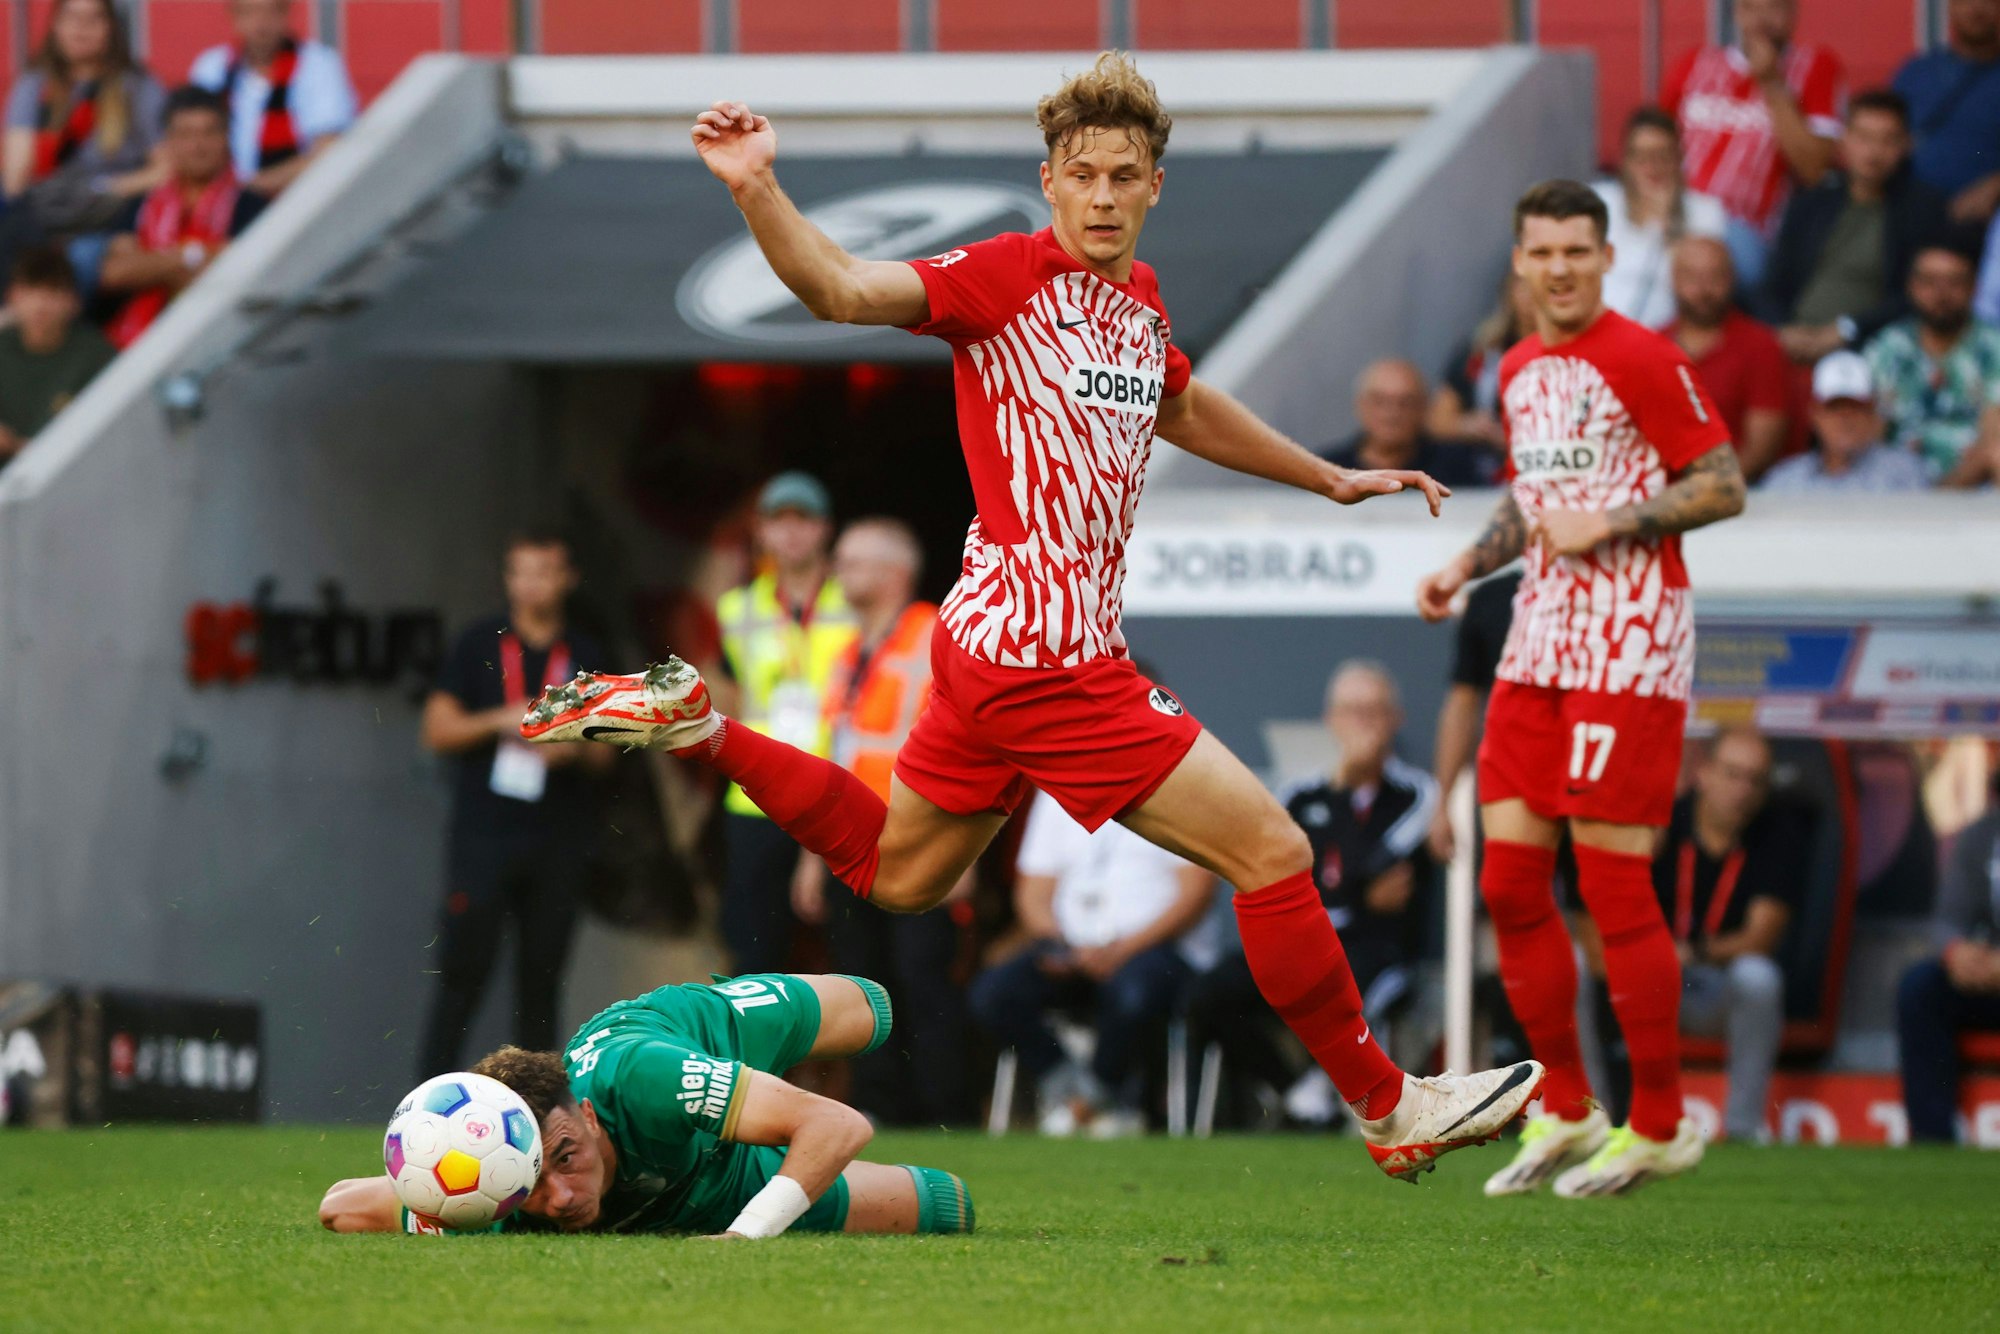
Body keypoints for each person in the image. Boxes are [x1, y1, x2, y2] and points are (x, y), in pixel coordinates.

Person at [526, 52, 1544, 1183]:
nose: (1103, 195)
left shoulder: (1136, 303)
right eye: (1082, 174)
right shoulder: (1003, 278)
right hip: (1047, 659)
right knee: (1274, 851)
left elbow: (1184, 404)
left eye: (1124, 175)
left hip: (985, 645)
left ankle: (701, 726)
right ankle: (1385, 1098)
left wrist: (1329, 476)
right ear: (1048, 182)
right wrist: (756, 185)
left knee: (900, 875)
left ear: (1154, 186)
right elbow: (843, 291)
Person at [1417, 179, 1748, 1198]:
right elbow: (1535, 496)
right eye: (1540, 251)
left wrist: (1610, 523)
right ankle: (1564, 1104)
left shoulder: (1643, 356)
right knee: (1508, 882)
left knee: (1608, 885)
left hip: (1628, 643)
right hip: (1536, 636)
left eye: (1575, 249)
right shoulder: (1517, 366)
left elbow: (1722, 481)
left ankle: (1659, 1119)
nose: (1557, 266)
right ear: (1518, 262)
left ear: (1604, 259)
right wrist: (1467, 561)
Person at [320, 973, 975, 1237]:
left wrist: (746, 1238)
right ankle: (757, 1141)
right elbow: (339, 1208)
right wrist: (436, 1196)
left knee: (873, 1009)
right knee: (950, 1207)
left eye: (567, 1158)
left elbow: (837, 1122)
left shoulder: (640, 1079)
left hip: (701, 1034)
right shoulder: (503, 1195)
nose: (562, 1197)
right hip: (711, 1184)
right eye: (535, 1182)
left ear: (591, 1117)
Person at [1187, 661, 1437, 1128]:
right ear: (1331, 720)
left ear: (1396, 719)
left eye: (1374, 712)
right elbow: (1279, 864)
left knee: (1355, 986)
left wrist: (1347, 797)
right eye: (1352, 711)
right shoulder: (1300, 793)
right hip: (1304, 935)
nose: (1363, 723)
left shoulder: (1417, 793)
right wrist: (1353, 882)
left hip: (1377, 945)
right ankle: (1299, 1092)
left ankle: (1352, 1095)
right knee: (1212, 992)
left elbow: (1370, 865)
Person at [792, 517, 973, 1126]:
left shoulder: (934, 636)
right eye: (840, 560)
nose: (840, 571)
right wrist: (811, 859)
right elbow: (833, 760)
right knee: (862, 985)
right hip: (850, 842)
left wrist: (964, 853)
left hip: (918, 842)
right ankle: (881, 1105)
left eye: (855, 561)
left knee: (922, 976)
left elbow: (966, 752)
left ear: (897, 573)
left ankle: (946, 1109)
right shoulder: (849, 654)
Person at [414, 532, 613, 1079]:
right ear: (507, 578)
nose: (531, 584)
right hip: (484, 834)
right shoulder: (479, 641)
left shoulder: (587, 655)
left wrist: (572, 747)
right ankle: (428, 1097)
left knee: (542, 977)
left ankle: (540, 1110)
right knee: (461, 970)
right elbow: (436, 729)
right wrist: (502, 720)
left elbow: (613, 755)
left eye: (544, 571)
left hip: (558, 838)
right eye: (520, 572)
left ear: (568, 577)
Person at [971, 787, 1215, 1138]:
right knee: (994, 992)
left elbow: (1196, 893)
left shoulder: (1179, 788)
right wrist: (1063, 943)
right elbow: (1033, 891)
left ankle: (1092, 1103)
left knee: (1134, 993)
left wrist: (1124, 948)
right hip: (1072, 949)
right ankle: (1078, 1095)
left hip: (1157, 948)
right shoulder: (1056, 792)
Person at [713, 472, 856, 976]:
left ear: (827, 530)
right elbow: (727, 690)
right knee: (754, 954)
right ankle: (755, 1058)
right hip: (757, 797)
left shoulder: (856, 601)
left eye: (805, 519)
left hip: (839, 791)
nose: (792, 532)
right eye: (779, 520)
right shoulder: (736, 608)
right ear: (760, 531)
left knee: (849, 950)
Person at [1632, 727, 1804, 1143]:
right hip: (1648, 982)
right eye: (1732, 774)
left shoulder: (1779, 834)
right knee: (1587, 966)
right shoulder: (1663, 824)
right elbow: (1618, 906)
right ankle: (1591, 1116)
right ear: (1704, 772)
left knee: (1758, 976)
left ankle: (1744, 1127)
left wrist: (1690, 953)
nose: (1742, 790)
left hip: (1715, 988)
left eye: (1755, 780)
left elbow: (1760, 937)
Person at [1662, 0, 1845, 289]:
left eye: (1774, 7)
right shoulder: (1695, 63)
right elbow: (1653, 145)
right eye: (1750, 7)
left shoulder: (1815, 66)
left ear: (1793, 13)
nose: (1762, 19)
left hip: (1749, 232)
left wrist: (1771, 81)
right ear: (1737, 12)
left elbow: (1815, 170)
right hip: (1678, 220)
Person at [1759, 91, 1950, 365]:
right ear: (1844, 139)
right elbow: (1773, 283)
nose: (1874, 152)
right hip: (1793, 337)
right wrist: (1781, 328)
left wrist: (1848, 329)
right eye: (1864, 137)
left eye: (1888, 140)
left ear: (1906, 144)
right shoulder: (1810, 202)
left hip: (1869, 348)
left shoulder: (1923, 209)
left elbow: (1913, 296)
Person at [98, 86, 265, 349]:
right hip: (141, 341)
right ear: (168, 142)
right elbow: (115, 273)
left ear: (227, 138)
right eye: (186, 134)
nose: (197, 146)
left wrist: (154, 264)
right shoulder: (143, 203)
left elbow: (242, 269)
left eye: (209, 133)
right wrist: (193, 255)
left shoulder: (251, 205)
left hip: (219, 337)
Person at [1, 0, 166, 258]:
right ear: (55, 26)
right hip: (43, 216)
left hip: (110, 218)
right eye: (72, 18)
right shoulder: (33, 85)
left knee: (83, 258)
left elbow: (167, 168)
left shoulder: (138, 86)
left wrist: (110, 188)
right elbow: (15, 180)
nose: (81, 28)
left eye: (93, 19)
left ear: (111, 27)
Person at [1896, 786, 2000, 1143]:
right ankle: (1931, 1136)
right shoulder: (1981, 836)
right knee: (1921, 987)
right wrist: (1957, 952)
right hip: (1985, 976)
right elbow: (1945, 920)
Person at [1863, 238, 2000, 484]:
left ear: (1974, 288)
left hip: (1974, 487)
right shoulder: (1888, 347)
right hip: (1895, 490)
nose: (1941, 294)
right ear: (1912, 287)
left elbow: (1994, 438)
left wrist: (1940, 500)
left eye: (1954, 282)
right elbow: (1871, 434)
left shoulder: (1994, 347)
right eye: (1929, 282)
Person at [188, 0, 356, 198]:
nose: (260, 23)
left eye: (270, 12)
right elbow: (189, 141)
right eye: (250, 12)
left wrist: (251, 189)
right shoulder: (212, 66)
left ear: (285, 14)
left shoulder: (318, 64)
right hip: (221, 202)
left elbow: (329, 149)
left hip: (296, 198)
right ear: (233, 16)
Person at [1666, 236, 1793, 480]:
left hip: (1736, 497)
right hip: (1657, 499)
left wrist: (1700, 497)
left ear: (1732, 279)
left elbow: (1760, 450)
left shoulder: (1760, 345)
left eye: (1715, 277)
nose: (1704, 290)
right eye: (1692, 277)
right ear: (1673, 280)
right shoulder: (1650, 345)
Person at [1594, 107, 1728, 331]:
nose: (1652, 167)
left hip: (1667, 336)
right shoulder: (1601, 202)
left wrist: (1670, 225)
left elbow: (1697, 287)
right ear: (1626, 162)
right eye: (1642, 157)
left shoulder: (1706, 211)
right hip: (1599, 328)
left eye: (1662, 156)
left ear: (1678, 160)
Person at [1427, 570, 1522, 862]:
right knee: (1507, 890)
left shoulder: (1614, 593)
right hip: (1513, 779)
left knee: (1593, 894)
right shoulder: (1491, 599)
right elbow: (1462, 705)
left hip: (1590, 771)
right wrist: (1442, 802)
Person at [1892, 0, 2000, 225]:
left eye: (1988, 1)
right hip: (1910, 218)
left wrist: (1994, 187)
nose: (1976, 8)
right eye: (1965, 1)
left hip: (1986, 225)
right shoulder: (1916, 72)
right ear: (1950, 7)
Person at [0, 246, 113, 460]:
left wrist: (15, 446)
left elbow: (103, 440)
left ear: (74, 302)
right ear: (12, 296)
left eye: (53, 292)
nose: (40, 304)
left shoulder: (98, 357)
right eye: (31, 290)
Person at [1761, 350, 1931, 491]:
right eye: (1834, 408)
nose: (1845, 418)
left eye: (1856, 407)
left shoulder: (1904, 474)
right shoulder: (1786, 480)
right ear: (1814, 415)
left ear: (1872, 414)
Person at [1318, 358, 1497, 489]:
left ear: (1424, 408)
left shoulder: (1457, 466)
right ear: (1360, 406)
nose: (1392, 413)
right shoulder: (1329, 469)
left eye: (1405, 402)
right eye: (1379, 401)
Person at [1428, 272, 1534, 450]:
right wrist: (1468, 425)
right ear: (1508, 291)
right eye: (1523, 285)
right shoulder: (1483, 350)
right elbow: (1436, 421)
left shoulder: (1574, 355)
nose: (1532, 295)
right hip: (1483, 468)